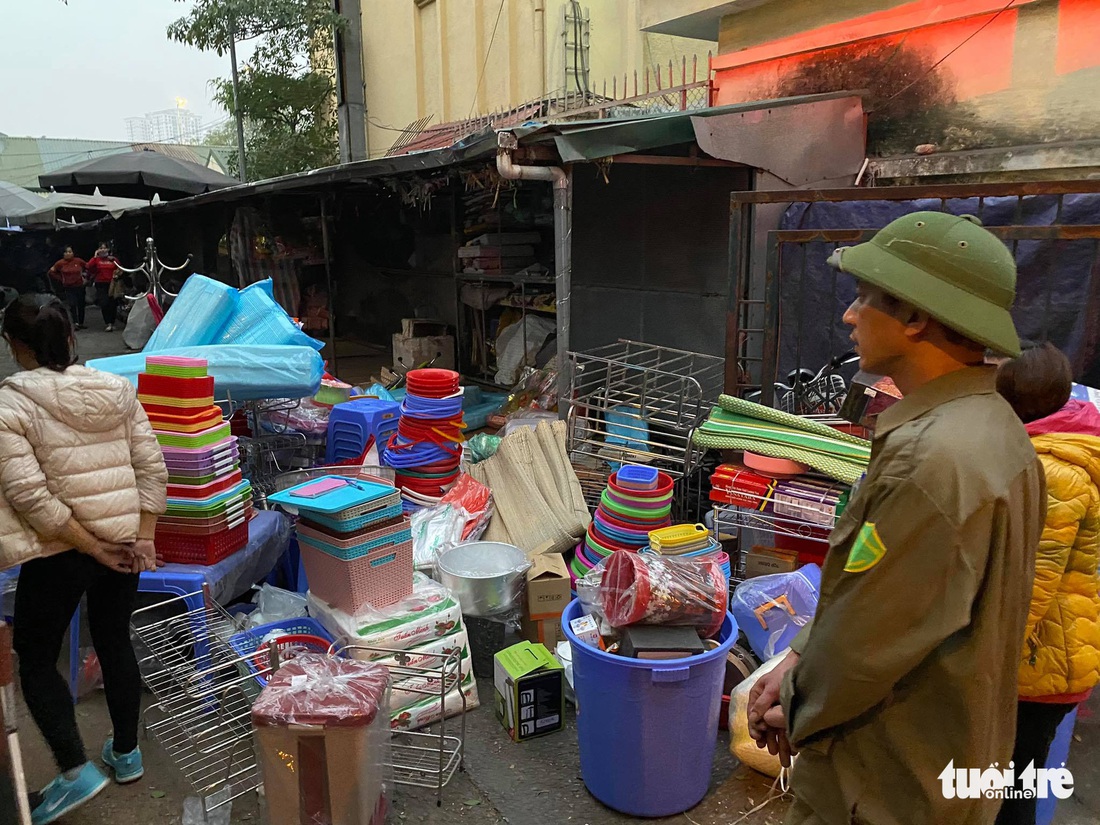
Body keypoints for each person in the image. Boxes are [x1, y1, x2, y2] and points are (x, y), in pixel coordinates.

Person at [747, 212, 1045, 824]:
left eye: (864, 297)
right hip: (942, 763)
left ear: (915, 318)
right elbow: (874, 601)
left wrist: (796, 704)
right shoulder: (995, 429)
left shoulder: (932, 459)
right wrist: (800, 657)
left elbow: (868, 646)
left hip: (885, 781)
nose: (849, 315)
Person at [0, 295, 166, 824]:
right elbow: (152, 466)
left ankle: (76, 770)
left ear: (15, 345)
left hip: (58, 551)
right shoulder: (117, 389)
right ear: (71, 338)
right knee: (114, 638)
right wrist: (142, 536)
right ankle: (126, 751)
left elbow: (30, 497)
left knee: (34, 654)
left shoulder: (11, 405)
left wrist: (90, 545)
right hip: (120, 543)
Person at [993, 341, 1100, 825]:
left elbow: (1031, 582)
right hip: (1046, 654)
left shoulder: (1053, 469)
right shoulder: (1056, 444)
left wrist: (984, 654)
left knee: (1005, 792)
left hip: (1040, 659)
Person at [46, 247, 87, 330]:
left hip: (79, 286)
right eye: (66, 252)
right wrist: (61, 279)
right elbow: (51, 272)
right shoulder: (60, 263)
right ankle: (75, 322)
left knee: (81, 304)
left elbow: (88, 267)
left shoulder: (78, 261)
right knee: (72, 304)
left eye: (70, 252)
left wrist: (86, 278)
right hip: (68, 287)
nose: (68, 254)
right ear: (63, 254)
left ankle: (81, 322)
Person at [84, 243, 120, 332]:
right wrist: (95, 256)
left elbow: (120, 268)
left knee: (112, 303)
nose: (103, 250)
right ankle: (107, 322)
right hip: (100, 283)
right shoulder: (96, 260)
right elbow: (88, 266)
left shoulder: (113, 259)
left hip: (112, 283)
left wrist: (116, 275)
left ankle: (112, 322)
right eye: (101, 248)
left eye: (105, 248)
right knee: (104, 303)